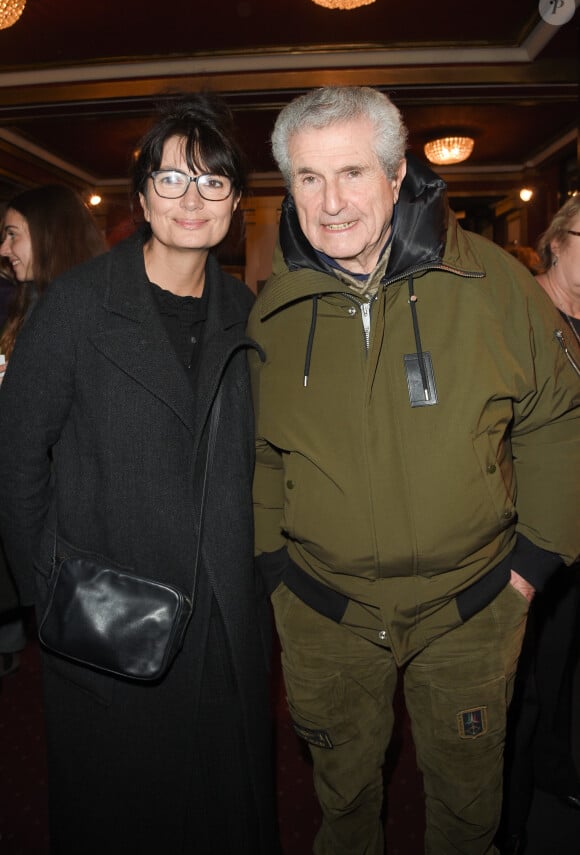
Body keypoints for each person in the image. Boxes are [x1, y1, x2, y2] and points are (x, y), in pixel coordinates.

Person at [247, 86, 580, 855]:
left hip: (469, 610)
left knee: (468, 812)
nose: (330, 203)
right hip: (325, 614)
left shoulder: (496, 286)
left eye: (353, 173)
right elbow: (262, 453)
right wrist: (274, 568)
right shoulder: (272, 310)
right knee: (343, 803)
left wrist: (532, 566)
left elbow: (558, 419)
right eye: (308, 178)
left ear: (398, 177)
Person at [0, 94, 279, 855]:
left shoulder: (247, 314)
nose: (192, 200)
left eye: (213, 182)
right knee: (123, 817)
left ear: (235, 201)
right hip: (108, 619)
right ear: (141, 198)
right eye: (171, 180)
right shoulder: (79, 306)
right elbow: (16, 459)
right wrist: (52, 592)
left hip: (224, 623)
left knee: (223, 812)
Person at [498, 196, 580, 854]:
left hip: (575, 528)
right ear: (555, 242)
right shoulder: (520, 311)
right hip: (528, 530)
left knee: (560, 671)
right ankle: (508, 820)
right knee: (518, 686)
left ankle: (553, 772)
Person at [0, 185, 106, 679]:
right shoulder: (36, 301)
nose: (4, 249)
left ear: (48, 236)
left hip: (68, 520)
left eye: (13, 234)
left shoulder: (73, 310)